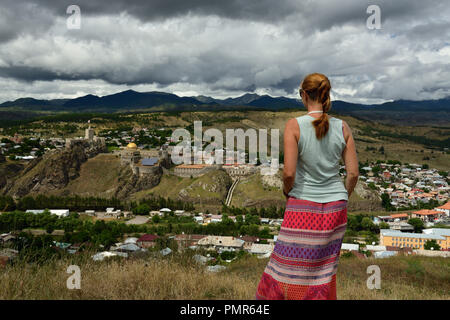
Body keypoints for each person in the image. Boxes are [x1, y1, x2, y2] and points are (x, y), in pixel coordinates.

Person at [255, 73, 359, 300]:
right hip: (335, 208)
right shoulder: (343, 127)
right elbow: (353, 173)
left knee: (285, 265)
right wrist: (342, 195)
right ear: (327, 94)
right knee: (324, 270)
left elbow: (289, 172)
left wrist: (286, 192)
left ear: (303, 95)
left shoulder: (295, 125)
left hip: (302, 205)